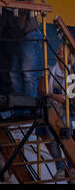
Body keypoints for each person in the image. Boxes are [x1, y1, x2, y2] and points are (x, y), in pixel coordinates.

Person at [37, 44, 75, 181]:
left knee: (67, 135)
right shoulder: (49, 70)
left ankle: (71, 167)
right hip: (52, 109)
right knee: (52, 137)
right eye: (59, 49)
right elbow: (41, 89)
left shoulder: (71, 72)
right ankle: (60, 168)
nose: (59, 50)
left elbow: (72, 97)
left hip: (67, 111)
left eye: (63, 49)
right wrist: (55, 97)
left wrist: (65, 98)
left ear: (70, 55)